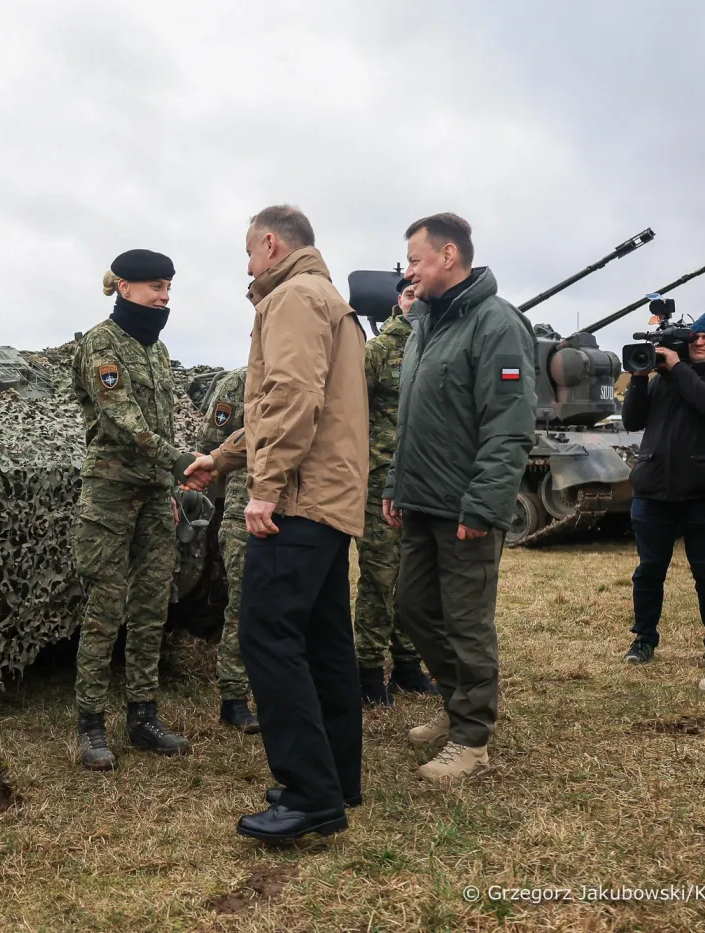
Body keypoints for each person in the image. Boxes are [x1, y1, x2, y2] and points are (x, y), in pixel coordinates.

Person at [185, 205, 368, 843]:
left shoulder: (291, 297)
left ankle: (309, 796)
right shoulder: (328, 297)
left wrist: (264, 490)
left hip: (297, 499)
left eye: (248, 253)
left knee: (266, 635)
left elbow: (291, 396)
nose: (247, 266)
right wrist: (222, 458)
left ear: (270, 243)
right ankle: (337, 777)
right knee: (323, 639)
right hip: (329, 497)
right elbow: (284, 404)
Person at [381, 212, 535, 785]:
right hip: (421, 500)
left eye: (415, 260)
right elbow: (412, 418)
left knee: (467, 623)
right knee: (415, 608)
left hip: (466, 505)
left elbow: (508, 426)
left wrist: (484, 504)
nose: (409, 272)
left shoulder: (497, 324)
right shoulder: (427, 324)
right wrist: (395, 484)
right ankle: (457, 702)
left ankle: (472, 738)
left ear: (448, 256)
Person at [71, 248, 201, 771]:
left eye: (168, 288)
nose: (164, 297)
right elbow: (120, 417)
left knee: (151, 608)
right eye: (155, 288)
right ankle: (90, 724)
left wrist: (169, 484)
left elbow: (162, 423)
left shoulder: (158, 350)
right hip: (110, 494)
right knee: (105, 610)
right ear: (125, 287)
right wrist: (179, 462)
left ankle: (143, 716)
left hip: (153, 495)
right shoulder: (101, 343)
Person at [620, 309, 705, 670]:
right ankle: (643, 640)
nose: (699, 342)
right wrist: (640, 379)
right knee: (648, 572)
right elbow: (632, 420)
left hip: (704, 492)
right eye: (695, 336)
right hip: (653, 489)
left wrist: (678, 368)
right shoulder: (665, 378)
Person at [355, 278, 436, 706]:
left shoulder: (439, 343)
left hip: (425, 480)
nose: (414, 301)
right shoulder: (379, 350)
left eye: (421, 295)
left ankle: (407, 664)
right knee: (379, 577)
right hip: (379, 480)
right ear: (397, 301)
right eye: (408, 294)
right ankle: (367, 671)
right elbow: (351, 411)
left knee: (415, 578)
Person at [195, 367, 260, 733]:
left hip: (296, 506)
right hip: (243, 507)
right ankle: (234, 697)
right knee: (243, 603)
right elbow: (210, 441)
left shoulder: (307, 377)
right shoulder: (239, 382)